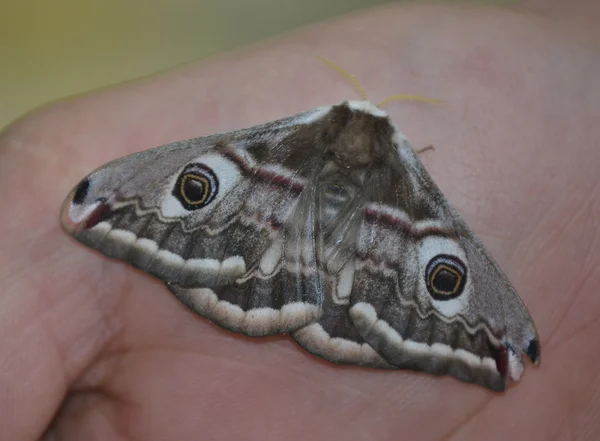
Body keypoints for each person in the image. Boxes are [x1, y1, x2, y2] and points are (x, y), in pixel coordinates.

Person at [1, 2, 599, 439]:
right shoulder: (376, 168)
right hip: (338, 265)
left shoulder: (321, 153)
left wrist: (495, 330)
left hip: (272, 257)